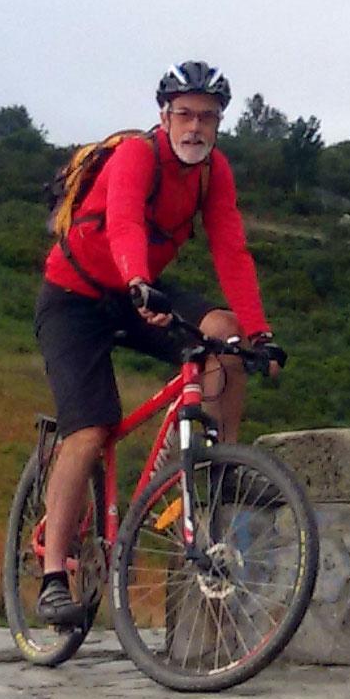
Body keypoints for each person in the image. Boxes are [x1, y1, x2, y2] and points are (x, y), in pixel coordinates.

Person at [30, 59, 277, 622]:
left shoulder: (214, 173)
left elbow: (232, 251)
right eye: (185, 115)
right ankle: (53, 578)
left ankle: (221, 474)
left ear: (218, 124)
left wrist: (259, 331)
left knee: (226, 341)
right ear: (164, 115)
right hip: (76, 297)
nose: (195, 127)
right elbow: (123, 223)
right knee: (90, 429)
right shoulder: (137, 155)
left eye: (207, 118)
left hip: (139, 289)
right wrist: (138, 280)